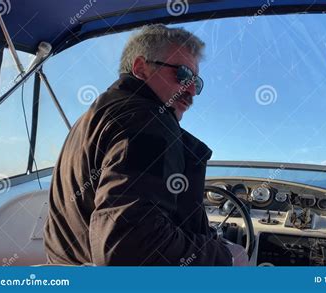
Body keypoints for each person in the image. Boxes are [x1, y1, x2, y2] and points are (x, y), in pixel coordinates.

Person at [44, 24, 249, 266]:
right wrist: (224, 256)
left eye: (197, 82)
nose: (192, 90)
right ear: (141, 68)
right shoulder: (149, 122)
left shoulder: (94, 118)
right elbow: (129, 247)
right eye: (183, 74)